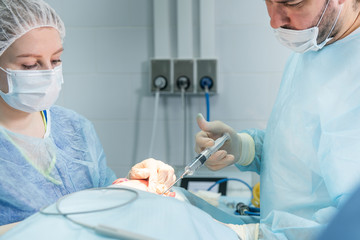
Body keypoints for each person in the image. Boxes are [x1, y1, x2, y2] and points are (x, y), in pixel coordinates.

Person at [0, 0, 175, 232]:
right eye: (30, 65)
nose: (48, 74)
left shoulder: (74, 128)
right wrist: (53, 224)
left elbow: (101, 203)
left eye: (55, 60)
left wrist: (130, 187)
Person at [195, 0, 360, 239]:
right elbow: (301, 149)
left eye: (292, 3)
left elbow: (351, 223)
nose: (274, 21)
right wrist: (245, 148)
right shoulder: (314, 47)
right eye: (268, 1)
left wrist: (260, 235)